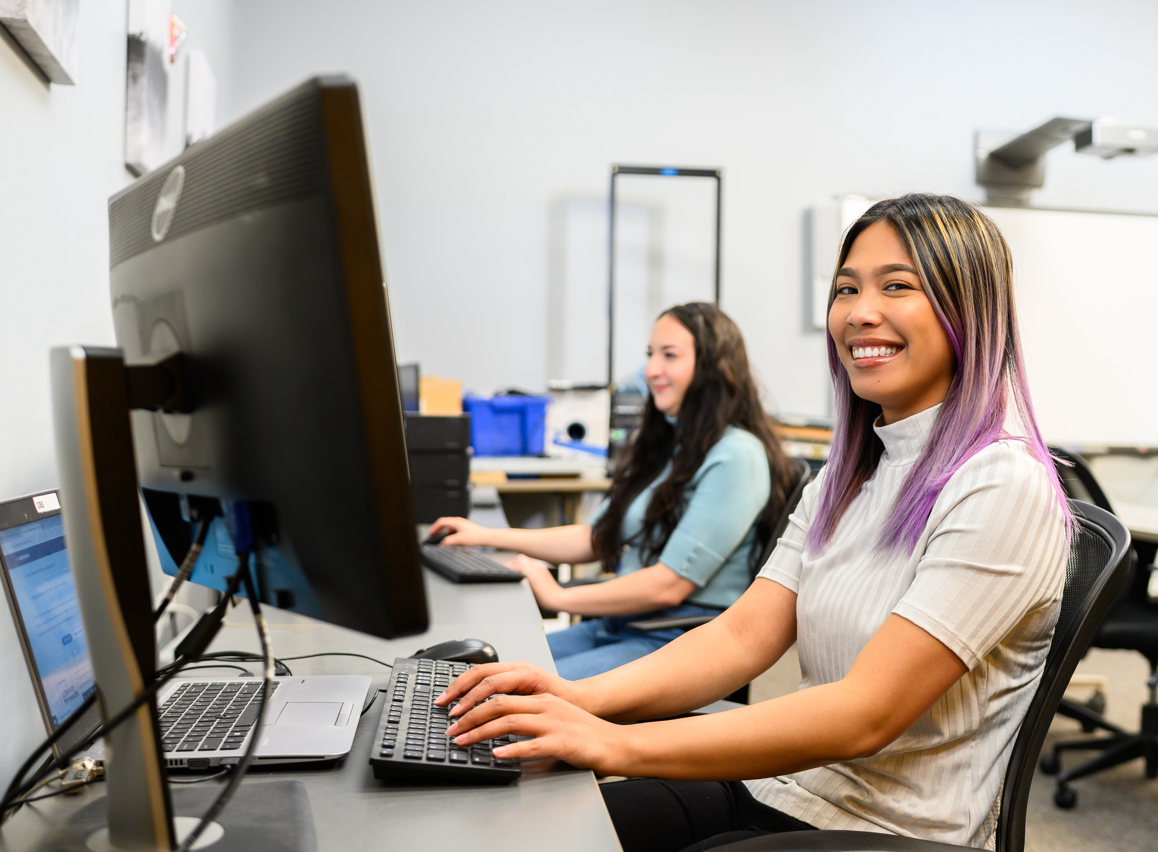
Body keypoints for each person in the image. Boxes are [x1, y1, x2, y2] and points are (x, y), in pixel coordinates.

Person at [435, 193, 1076, 851]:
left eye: (897, 287)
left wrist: (614, 742)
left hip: (890, 829)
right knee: (538, 826)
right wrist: (579, 698)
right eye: (846, 288)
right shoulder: (848, 473)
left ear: (969, 310)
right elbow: (743, 635)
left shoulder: (1001, 485)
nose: (859, 313)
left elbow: (865, 713)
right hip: (788, 787)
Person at [429, 302, 797, 680]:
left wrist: (557, 596)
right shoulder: (674, 447)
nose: (651, 370)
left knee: (501, 688)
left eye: (669, 356)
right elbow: (595, 536)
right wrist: (487, 537)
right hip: (622, 625)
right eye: (650, 355)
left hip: (676, 640)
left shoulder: (737, 456)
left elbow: (668, 585)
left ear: (713, 367)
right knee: (459, 671)